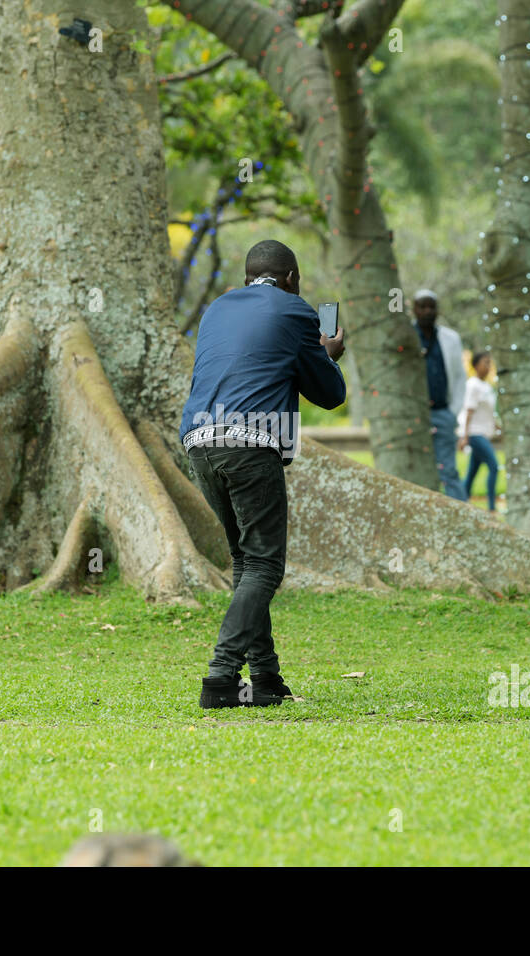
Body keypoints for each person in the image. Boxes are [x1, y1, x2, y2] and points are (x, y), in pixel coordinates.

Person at [181, 239, 345, 708]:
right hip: (249, 443)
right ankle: (220, 677)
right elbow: (330, 393)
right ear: (291, 279)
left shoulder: (215, 310)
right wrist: (328, 352)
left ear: (245, 277)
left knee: (246, 563)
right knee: (266, 566)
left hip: (198, 442)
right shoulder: (297, 313)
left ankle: (265, 680)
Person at [411, 290, 468, 501]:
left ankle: (463, 516)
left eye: (431, 306)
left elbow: (460, 378)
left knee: (448, 470)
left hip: (443, 414)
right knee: (418, 470)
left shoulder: (451, 338)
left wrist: (453, 412)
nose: (427, 311)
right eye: (422, 306)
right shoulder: (406, 336)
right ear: (413, 309)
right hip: (414, 417)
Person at [458, 351, 500, 511]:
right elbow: (469, 411)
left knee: (472, 473)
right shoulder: (472, 385)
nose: (488, 366)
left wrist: (497, 426)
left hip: (484, 433)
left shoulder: (487, 387)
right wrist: (464, 436)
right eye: (485, 362)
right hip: (474, 433)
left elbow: (488, 412)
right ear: (475, 365)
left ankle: (460, 502)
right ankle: (491, 507)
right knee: (494, 466)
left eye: (490, 363)